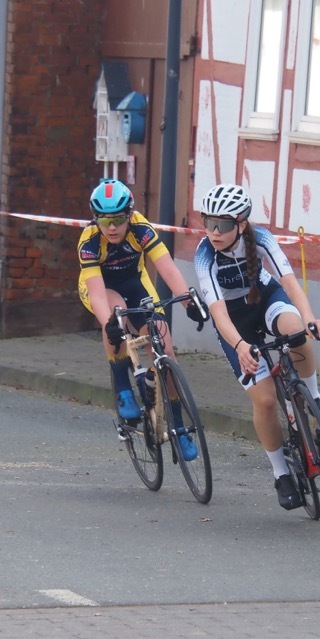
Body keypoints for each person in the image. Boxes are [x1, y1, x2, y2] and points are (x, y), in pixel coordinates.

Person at [193, 183, 320, 511]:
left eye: (223, 225)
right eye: (209, 222)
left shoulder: (261, 238)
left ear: (241, 224)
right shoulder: (204, 256)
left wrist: (310, 319)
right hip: (235, 322)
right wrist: (240, 345)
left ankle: (315, 397)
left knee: (296, 331)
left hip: (264, 298)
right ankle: (281, 473)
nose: (214, 232)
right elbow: (218, 314)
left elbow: (289, 283)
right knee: (266, 401)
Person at [78, 178, 208, 460]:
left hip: (135, 284)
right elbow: (97, 295)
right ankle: (123, 388)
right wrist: (109, 323)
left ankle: (179, 427)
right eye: (105, 220)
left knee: (165, 347)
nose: (112, 227)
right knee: (116, 314)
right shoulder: (89, 241)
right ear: (96, 219)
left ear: (130, 215)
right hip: (100, 289)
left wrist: (188, 302)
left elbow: (167, 268)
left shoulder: (141, 228)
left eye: (118, 219)